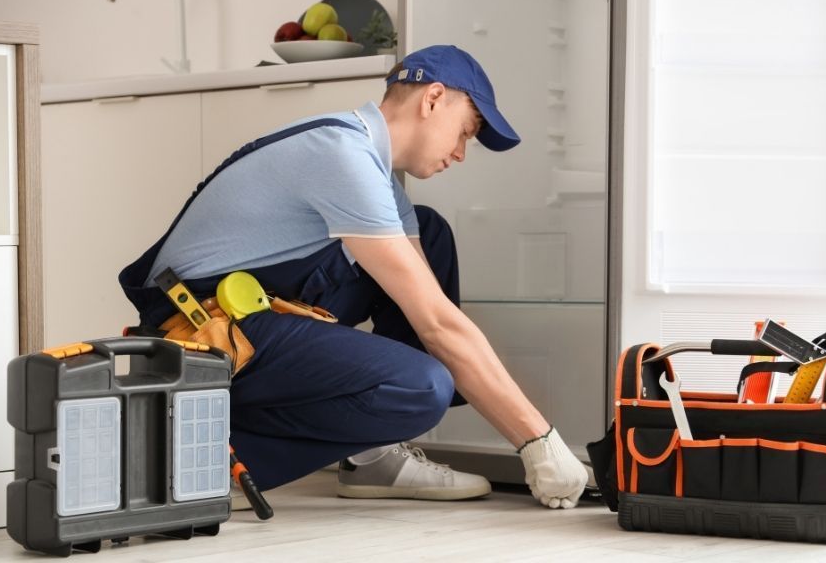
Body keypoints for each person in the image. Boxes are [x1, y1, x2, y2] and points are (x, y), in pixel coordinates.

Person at [119, 44, 590, 509]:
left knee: (430, 232)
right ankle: (211, 464)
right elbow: (437, 324)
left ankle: (372, 459)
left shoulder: (376, 175)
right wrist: (539, 443)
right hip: (203, 335)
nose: (462, 153)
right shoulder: (341, 155)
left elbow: (430, 308)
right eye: (466, 131)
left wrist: (535, 441)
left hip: (253, 316)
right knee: (422, 386)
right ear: (432, 99)